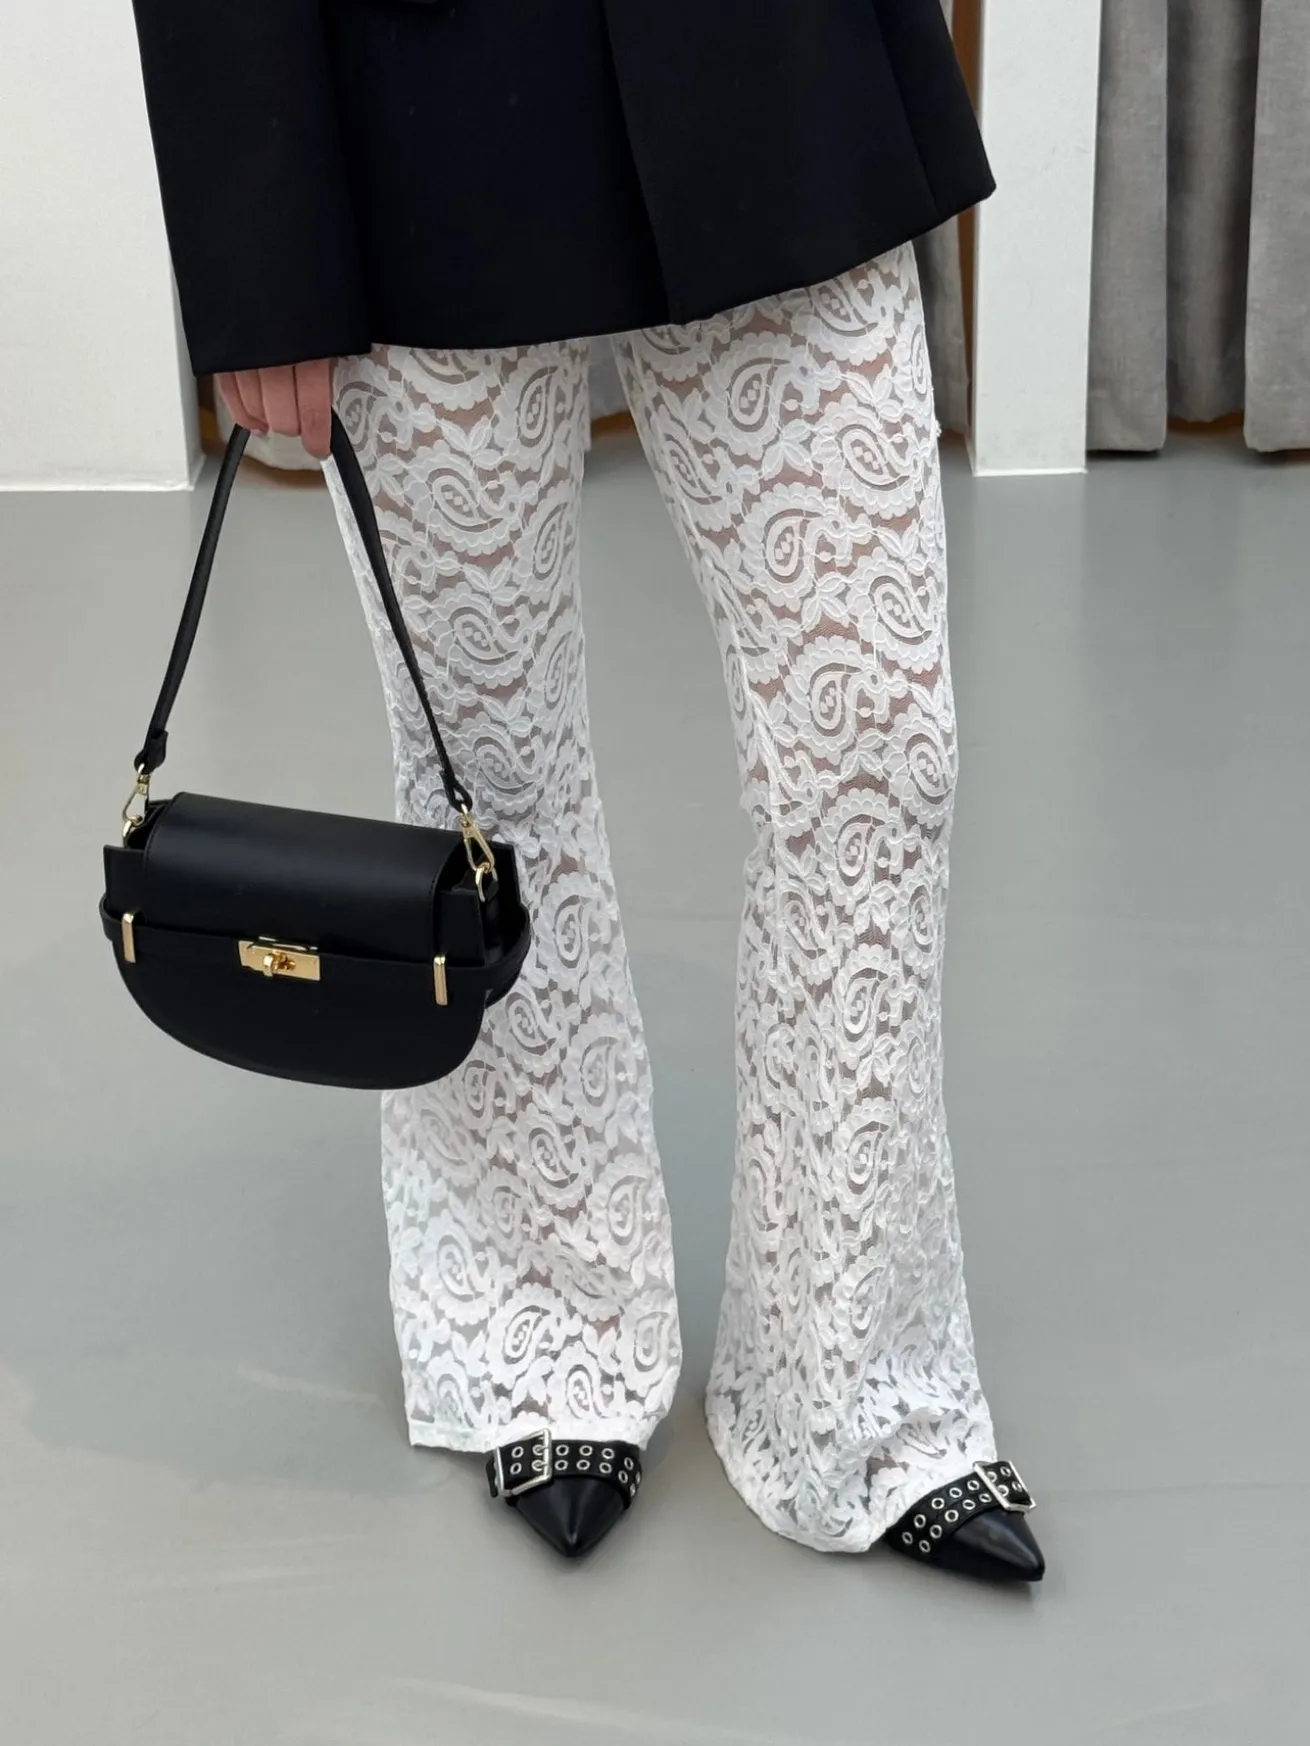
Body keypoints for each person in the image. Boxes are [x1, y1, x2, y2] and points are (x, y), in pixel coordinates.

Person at [130, 0, 1045, 1581]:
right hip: (409, 101)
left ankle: (858, 1388)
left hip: (773, 67)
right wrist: (259, 245)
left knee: (877, 749)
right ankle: (547, 1333)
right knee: (487, 781)